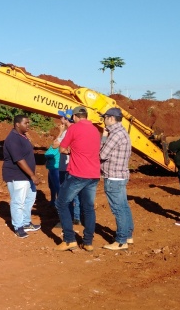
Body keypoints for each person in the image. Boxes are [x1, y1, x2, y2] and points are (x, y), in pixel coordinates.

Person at [56, 106, 101, 252]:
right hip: (93, 174)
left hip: (78, 173)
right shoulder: (95, 130)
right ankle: (88, 242)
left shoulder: (74, 128)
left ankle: (69, 239)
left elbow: (61, 149)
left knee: (61, 203)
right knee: (88, 208)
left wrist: (71, 151)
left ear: (75, 116)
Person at [99, 107, 134, 251]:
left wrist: (103, 138)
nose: (103, 120)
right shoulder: (122, 132)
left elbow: (102, 154)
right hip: (120, 176)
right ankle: (128, 235)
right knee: (123, 207)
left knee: (118, 209)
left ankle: (121, 241)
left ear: (111, 118)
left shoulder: (115, 135)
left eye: (105, 118)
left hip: (113, 178)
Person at [2, 114, 39, 239]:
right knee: (18, 202)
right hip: (17, 175)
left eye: (28, 122)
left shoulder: (22, 136)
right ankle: (18, 227)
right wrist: (32, 175)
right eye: (26, 123)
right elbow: (19, 160)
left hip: (26, 176)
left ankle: (26, 222)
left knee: (29, 199)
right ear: (17, 124)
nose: (28, 125)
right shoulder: (13, 139)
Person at [54, 111, 81, 227]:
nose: (60, 118)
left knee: (65, 193)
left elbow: (55, 145)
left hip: (65, 167)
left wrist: (60, 132)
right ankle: (77, 217)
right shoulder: (79, 131)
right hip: (76, 167)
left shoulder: (67, 132)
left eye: (62, 117)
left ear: (66, 119)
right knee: (76, 193)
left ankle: (67, 218)